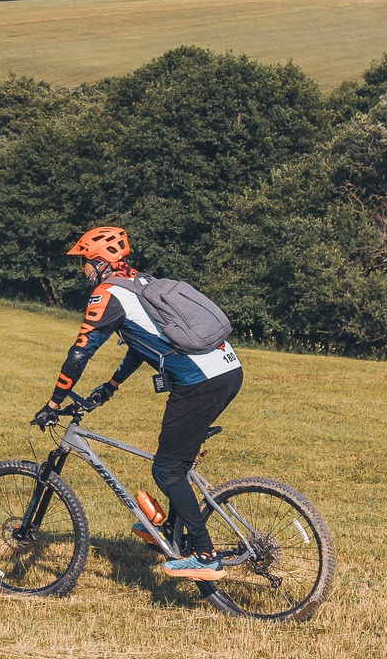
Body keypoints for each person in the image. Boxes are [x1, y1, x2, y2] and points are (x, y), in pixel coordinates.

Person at [33, 225, 242, 581]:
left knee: (166, 470)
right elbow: (141, 344)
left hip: (199, 383)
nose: (82, 270)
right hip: (228, 370)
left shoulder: (107, 294)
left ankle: (205, 554)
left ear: (99, 263)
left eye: (84, 262)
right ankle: (173, 531)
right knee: (176, 460)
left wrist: (53, 404)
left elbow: (80, 351)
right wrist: (111, 385)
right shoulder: (141, 283)